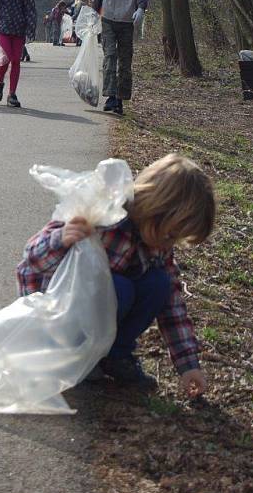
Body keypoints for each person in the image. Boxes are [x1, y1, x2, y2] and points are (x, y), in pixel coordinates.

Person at [17, 153, 215, 397]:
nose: (169, 244)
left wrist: (188, 365)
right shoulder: (101, 214)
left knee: (159, 283)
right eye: (169, 235)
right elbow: (31, 262)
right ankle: (77, 354)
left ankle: (112, 356)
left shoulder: (157, 244)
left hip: (97, 314)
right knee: (119, 288)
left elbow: (172, 304)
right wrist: (60, 240)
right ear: (154, 209)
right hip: (58, 319)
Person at [93, 0, 148, 115]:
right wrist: (95, 14)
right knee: (110, 57)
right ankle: (110, 96)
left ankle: (120, 99)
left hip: (126, 21)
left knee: (125, 61)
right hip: (108, 18)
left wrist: (141, 8)